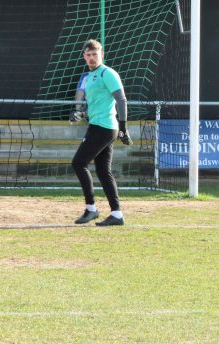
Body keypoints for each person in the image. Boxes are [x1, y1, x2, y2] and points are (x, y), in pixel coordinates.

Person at [70, 39, 132, 226]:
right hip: (97, 125)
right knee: (104, 171)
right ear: (84, 56)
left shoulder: (107, 73)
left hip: (105, 127)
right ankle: (117, 215)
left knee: (78, 163)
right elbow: (95, 105)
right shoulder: (89, 77)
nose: (91, 58)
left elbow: (121, 100)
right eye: (88, 55)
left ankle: (91, 209)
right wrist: (80, 114)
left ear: (102, 55)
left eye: (94, 54)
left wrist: (123, 127)